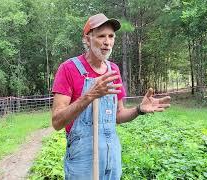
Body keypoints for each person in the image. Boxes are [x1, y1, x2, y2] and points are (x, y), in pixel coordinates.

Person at [51, 13, 171, 180]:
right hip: (82, 161)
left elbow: (118, 116)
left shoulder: (113, 70)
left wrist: (139, 110)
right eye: (101, 36)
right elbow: (57, 122)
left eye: (111, 36)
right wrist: (90, 95)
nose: (107, 42)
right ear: (87, 39)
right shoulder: (68, 69)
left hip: (112, 157)